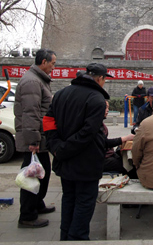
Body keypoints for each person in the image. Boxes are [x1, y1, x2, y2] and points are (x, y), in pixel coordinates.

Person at [43, 63, 113, 241]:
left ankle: (65, 236)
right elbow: (87, 133)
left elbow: (48, 122)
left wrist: (56, 147)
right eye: (105, 79)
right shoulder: (97, 99)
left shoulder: (60, 94)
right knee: (84, 202)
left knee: (68, 199)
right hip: (86, 163)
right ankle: (77, 238)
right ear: (100, 78)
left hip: (64, 161)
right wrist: (63, 149)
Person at [14, 48, 57, 229]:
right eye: (53, 63)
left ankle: (37, 204)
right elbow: (30, 113)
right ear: (44, 62)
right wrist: (33, 140)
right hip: (35, 140)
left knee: (42, 172)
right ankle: (27, 215)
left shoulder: (39, 80)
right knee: (32, 175)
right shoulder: (32, 82)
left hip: (39, 138)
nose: (54, 67)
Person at [103, 101, 134, 174]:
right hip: (101, 159)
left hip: (108, 154)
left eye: (108, 107)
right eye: (105, 107)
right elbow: (104, 142)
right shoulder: (94, 124)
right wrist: (124, 139)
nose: (107, 110)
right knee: (128, 165)